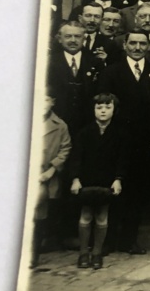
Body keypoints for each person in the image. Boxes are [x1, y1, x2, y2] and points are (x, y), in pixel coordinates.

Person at [96, 29, 150, 255]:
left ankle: (129, 240)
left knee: (136, 192)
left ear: (148, 47)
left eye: (142, 44)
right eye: (132, 43)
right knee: (113, 190)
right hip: (116, 140)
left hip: (144, 142)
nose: (137, 47)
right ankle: (108, 241)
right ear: (125, 45)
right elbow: (102, 104)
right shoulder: (112, 71)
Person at [69, 93, 128, 270]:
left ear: (114, 110)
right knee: (86, 215)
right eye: (99, 107)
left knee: (102, 216)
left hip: (106, 181)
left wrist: (118, 179)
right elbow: (76, 157)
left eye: (107, 107)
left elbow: (123, 159)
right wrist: (75, 178)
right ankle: (83, 253)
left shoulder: (120, 134)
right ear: (93, 109)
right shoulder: (84, 133)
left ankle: (96, 253)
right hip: (87, 180)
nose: (103, 111)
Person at [32, 95, 71, 268]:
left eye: (46, 100)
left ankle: (34, 252)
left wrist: (52, 169)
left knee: (39, 210)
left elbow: (65, 148)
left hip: (45, 174)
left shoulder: (60, 125)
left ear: (53, 102)